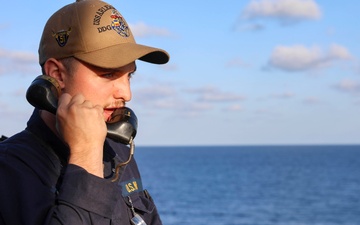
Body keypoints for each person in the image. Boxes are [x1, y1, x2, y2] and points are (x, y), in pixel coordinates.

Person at [0, 0, 169, 224]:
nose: (126, 94)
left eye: (129, 76)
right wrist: (86, 155)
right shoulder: (10, 169)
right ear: (57, 75)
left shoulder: (117, 153)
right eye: (108, 74)